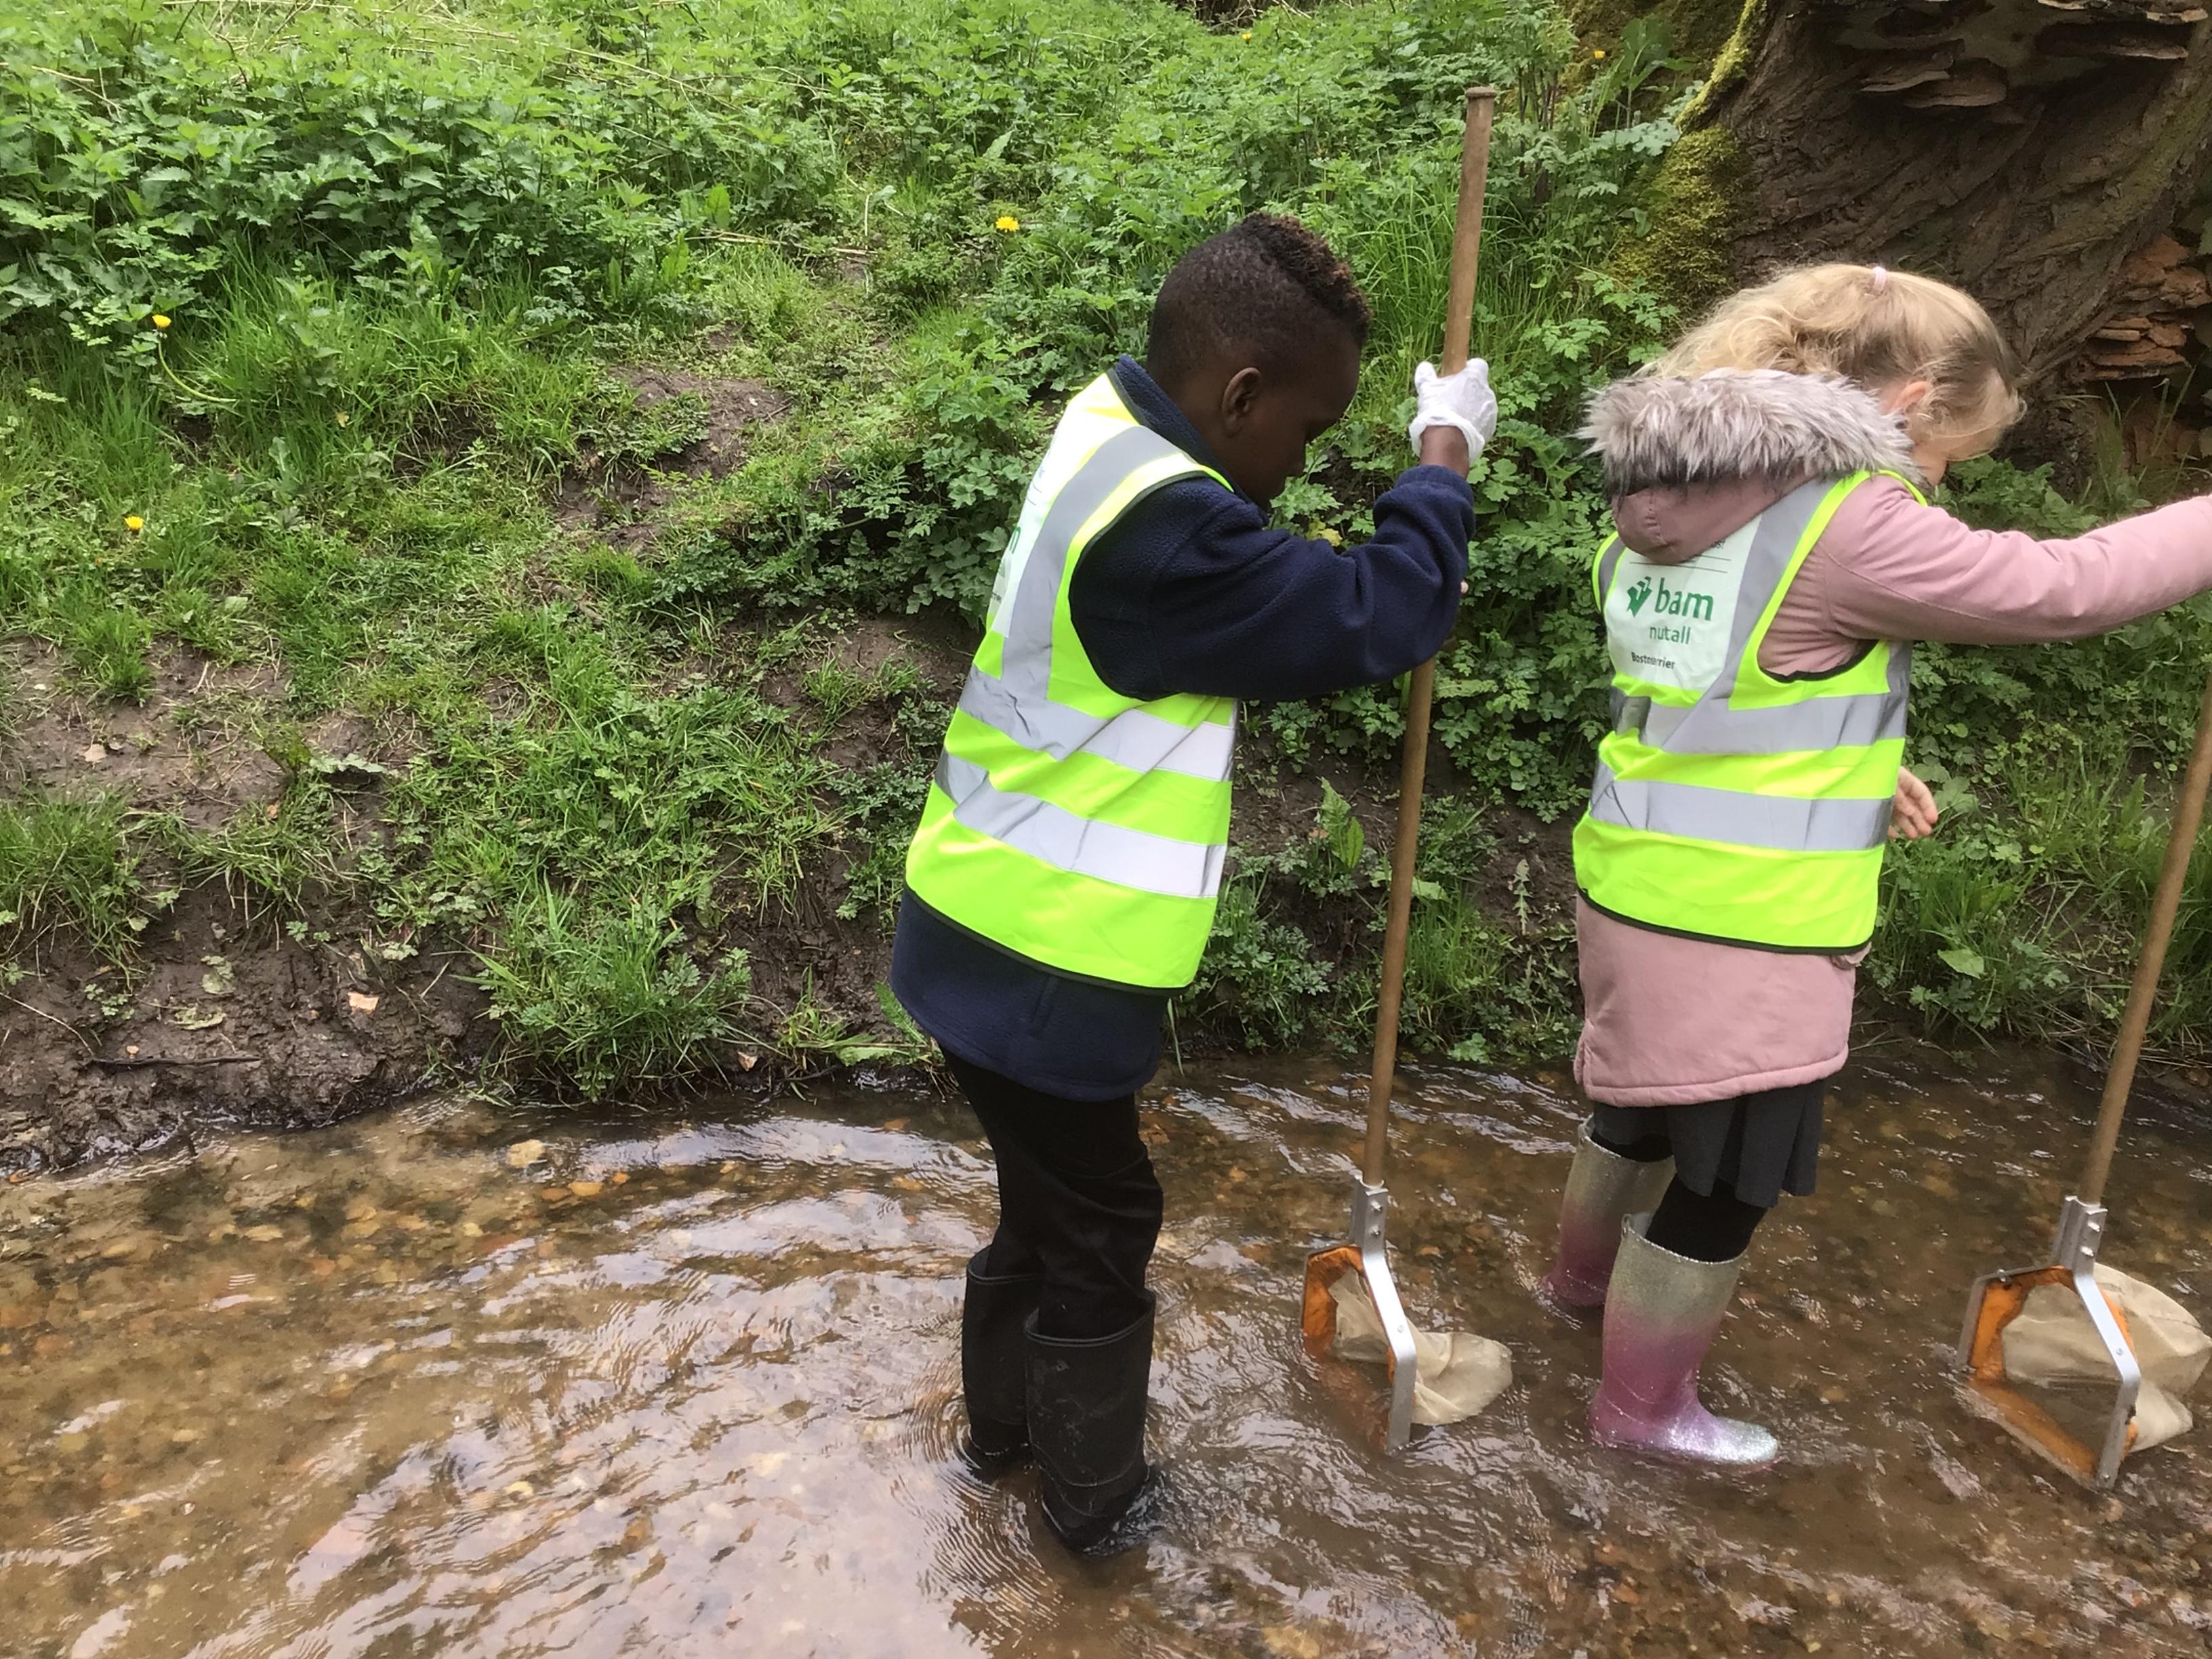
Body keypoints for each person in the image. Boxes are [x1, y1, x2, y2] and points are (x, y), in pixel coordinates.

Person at [1540, 262, 2212, 1469]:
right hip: (1751, 920)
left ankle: (1574, 1298)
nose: (1939, 481)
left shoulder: (1674, 496)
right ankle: (1642, 1414)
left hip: (1637, 882)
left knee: (1636, 1116)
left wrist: (1857, 772)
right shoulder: (1844, 514)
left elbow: (1721, 687)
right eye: (1946, 453)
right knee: (1731, 1179)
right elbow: (2062, 591)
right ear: (1904, 403)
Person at [892, 213, 1493, 1552]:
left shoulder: (1108, 427)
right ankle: (1093, 1521)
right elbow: (1384, 612)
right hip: (1044, 959)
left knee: (1050, 1208)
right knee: (1105, 1222)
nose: (1306, 461)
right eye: (1307, 430)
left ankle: (1003, 1449)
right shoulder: (1168, 534)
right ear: (1239, 395)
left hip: (974, 923)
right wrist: (1442, 458)